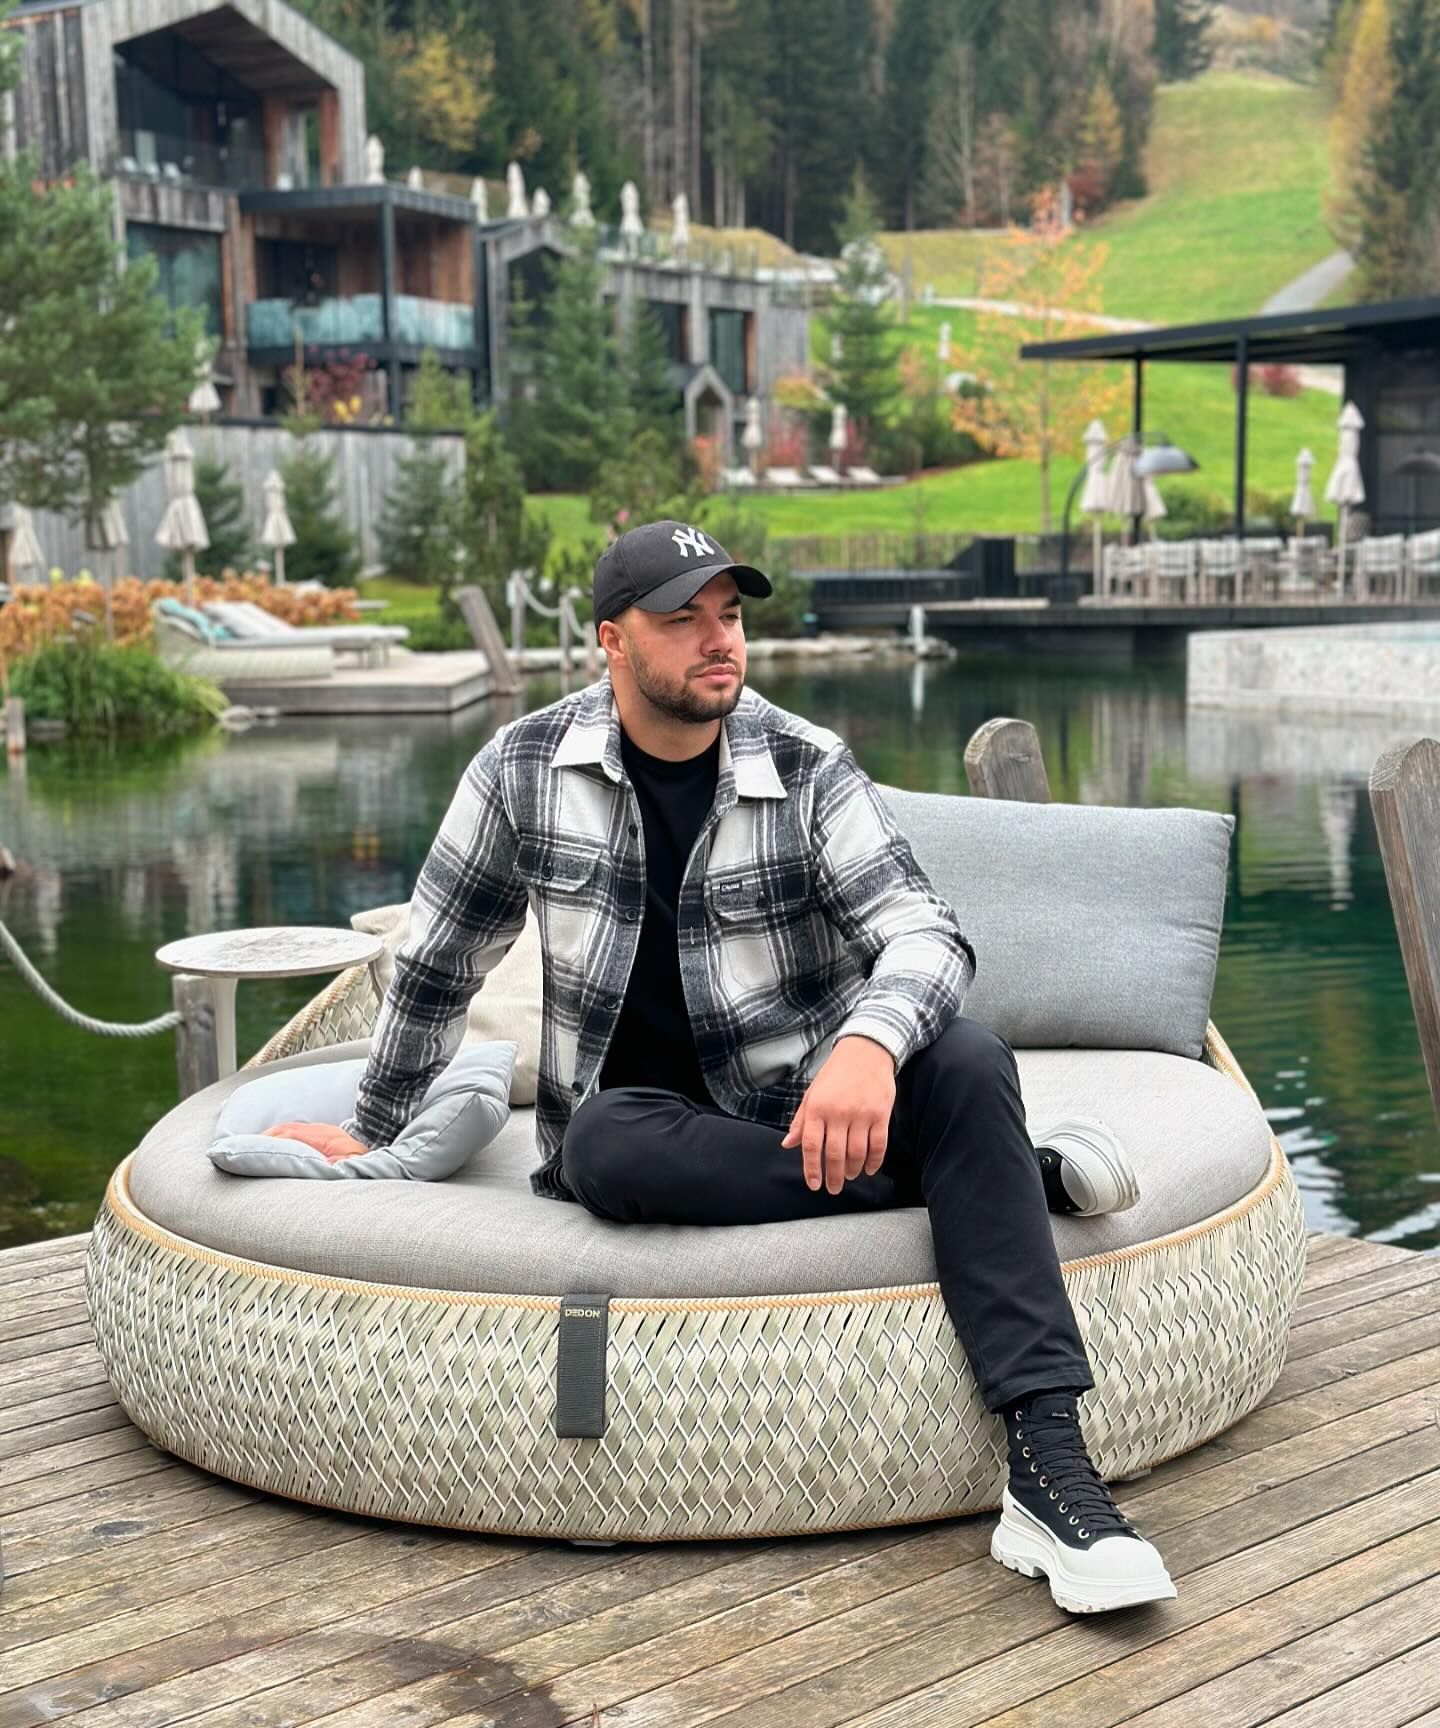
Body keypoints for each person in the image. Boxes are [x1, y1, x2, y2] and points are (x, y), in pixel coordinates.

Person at [272, 518, 1176, 1615]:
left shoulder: (805, 763)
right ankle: (1002, 1177)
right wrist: (374, 1127)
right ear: (612, 641)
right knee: (604, 1149)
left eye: (731, 615)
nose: (720, 640)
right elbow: (438, 960)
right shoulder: (522, 768)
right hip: (644, 1123)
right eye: (682, 619)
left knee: (969, 1059)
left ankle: (1050, 1469)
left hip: (814, 1095)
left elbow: (927, 934)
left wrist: (867, 1045)